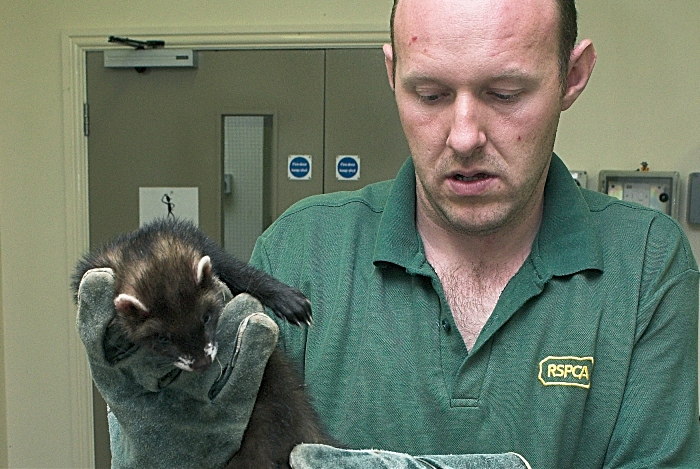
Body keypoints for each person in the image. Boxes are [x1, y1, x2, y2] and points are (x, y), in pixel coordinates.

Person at [250, 0, 700, 466]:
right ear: (392, 73)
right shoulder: (299, 252)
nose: (464, 138)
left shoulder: (646, 262)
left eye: (505, 93)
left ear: (573, 76)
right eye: (430, 94)